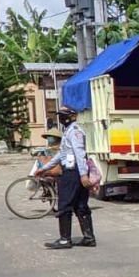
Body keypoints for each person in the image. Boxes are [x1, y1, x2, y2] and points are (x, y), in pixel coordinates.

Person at [35, 106, 95, 250]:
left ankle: (65, 240)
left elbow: (80, 154)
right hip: (74, 172)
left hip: (72, 173)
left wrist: (83, 174)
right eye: (60, 115)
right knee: (80, 206)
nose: (61, 118)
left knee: (65, 205)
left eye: (64, 115)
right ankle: (88, 237)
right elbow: (61, 155)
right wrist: (44, 168)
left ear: (73, 116)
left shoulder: (74, 132)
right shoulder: (67, 131)